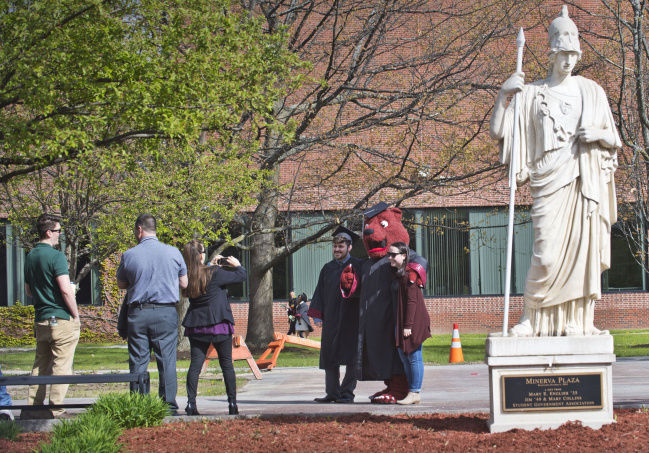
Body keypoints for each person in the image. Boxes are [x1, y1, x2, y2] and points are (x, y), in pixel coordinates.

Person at [489, 7, 621, 336]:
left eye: (573, 54)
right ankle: (531, 318)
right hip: (547, 180)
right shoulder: (532, 93)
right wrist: (504, 96)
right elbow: (499, 131)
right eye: (563, 54)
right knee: (545, 254)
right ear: (552, 52)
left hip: (582, 180)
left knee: (581, 253)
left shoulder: (592, 91)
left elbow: (614, 139)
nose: (568, 61)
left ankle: (578, 320)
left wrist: (598, 135)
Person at [116, 214, 188, 414]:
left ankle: (139, 406)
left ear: (139, 229)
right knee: (167, 360)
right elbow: (184, 284)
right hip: (165, 312)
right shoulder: (173, 252)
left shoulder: (129, 254)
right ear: (155, 229)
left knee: (139, 361)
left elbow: (121, 283)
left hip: (138, 313)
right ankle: (168, 406)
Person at [22, 213, 80, 419]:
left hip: (41, 318)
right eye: (58, 231)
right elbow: (65, 290)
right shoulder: (56, 256)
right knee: (62, 365)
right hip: (60, 317)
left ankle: (32, 408)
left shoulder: (30, 256)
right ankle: (57, 410)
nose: (59, 235)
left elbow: (29, 291)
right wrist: (75, 314)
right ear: (48, 232)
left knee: (40, 365)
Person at [181, 240, 246, 416]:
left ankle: (190, 404)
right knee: (226, 365)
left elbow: (203, 275)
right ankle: (232, 403)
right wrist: (238, 265)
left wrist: (211, 264)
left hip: (197, 325)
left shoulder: (188, 276)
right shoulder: (215, 273)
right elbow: (240, 277)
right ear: (201, 255)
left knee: (195, 366)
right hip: (219, 324)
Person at [308, 226, 364, 404]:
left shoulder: (359, 265)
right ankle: (332, 393)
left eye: (341, 247)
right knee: (330, 356)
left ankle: (347, 394)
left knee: (352, 358)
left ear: (349, 247)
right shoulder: (328, 268)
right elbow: (319, 292)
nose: (337, 250)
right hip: (332, 318)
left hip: (352, 318)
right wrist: (318, 315)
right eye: (335, 247)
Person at [387, 242, 431, 405]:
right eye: (388, 255)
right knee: (404, 357)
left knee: (414, 357)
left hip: (412, 323)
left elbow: (412, 302)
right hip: (402, 321)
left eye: (393, 255)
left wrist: (408, 326)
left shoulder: (409, 275)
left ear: (404, 256)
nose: (389, 258)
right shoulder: (398, 274)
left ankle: (415, 392)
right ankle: (412, 391)